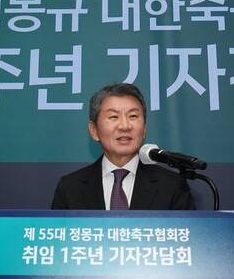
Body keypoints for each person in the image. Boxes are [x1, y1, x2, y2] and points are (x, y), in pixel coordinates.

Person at [51, 83, 195, 210]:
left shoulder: (172, 186)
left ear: (144, 128)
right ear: (94, 130)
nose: (125, 126)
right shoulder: (70, 187)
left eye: (133, 116)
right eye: (113, 117)